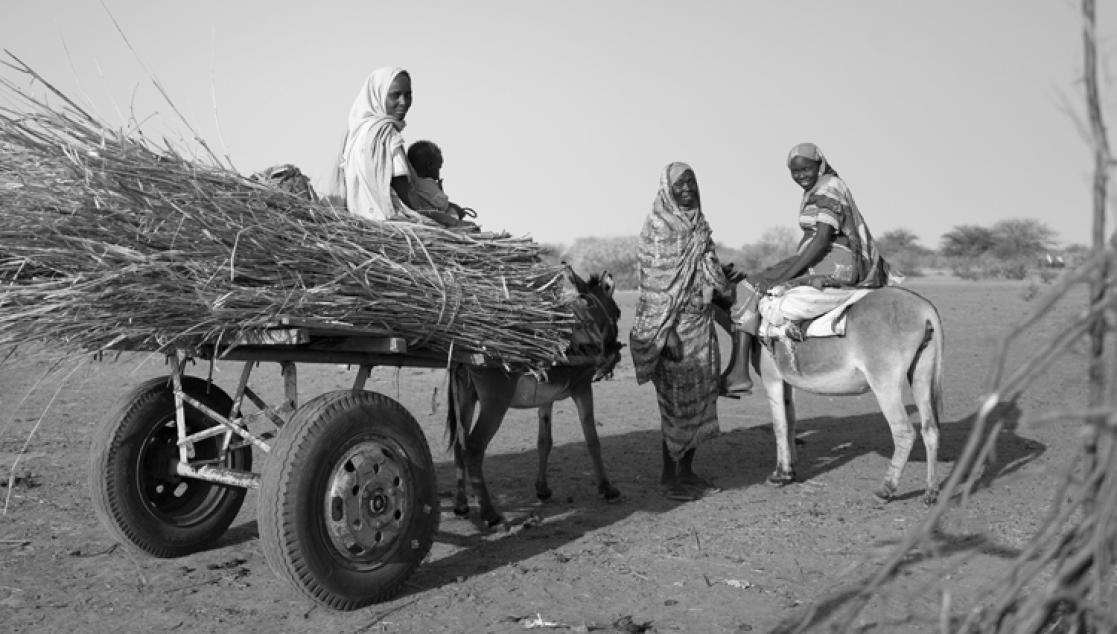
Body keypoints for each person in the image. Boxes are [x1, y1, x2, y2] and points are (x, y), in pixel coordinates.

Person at [720, 142, 889, 395]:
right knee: (758, 281)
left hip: (832, 261)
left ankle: (739, 372)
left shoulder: (828, 188)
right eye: (795, 172)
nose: (801, 176)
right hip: (826, 256)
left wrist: (786, 277)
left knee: (746, 288)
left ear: (819, 164)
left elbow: (821, 239)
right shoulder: (821, 187)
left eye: (806, 169)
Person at [630, 162, 731, 501]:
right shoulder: (658, 227)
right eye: (679, 183)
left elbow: (711, 273)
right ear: (666, 188)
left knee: (699, 401)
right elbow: (655, 287)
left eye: (691, 182)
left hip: (700, 325)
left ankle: (686, 472)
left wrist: (721, 282)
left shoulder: (699, 224)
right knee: (675, 404)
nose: (687, 188)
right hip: (671, 330)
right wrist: (666, 331)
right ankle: (669, 478)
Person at [407, 139, 477, 227]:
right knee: (452, 211)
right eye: (438, 168)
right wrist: (455, 208)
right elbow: (442, 204)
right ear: (429, 166)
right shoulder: (428, 185)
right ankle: (456, 229)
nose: (439, 172)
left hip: (424, 216)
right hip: (433, 218)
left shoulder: (413, 182)